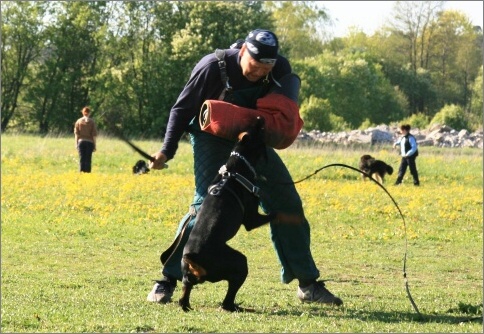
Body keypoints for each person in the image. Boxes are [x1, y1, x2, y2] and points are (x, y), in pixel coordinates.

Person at [147, 29, 343, 306]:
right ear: (242, 53)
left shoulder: (279, 69)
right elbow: (181, 109)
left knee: (287, 202)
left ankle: (308, 283)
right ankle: (167, 279)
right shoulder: (212, 67)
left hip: (250, 139)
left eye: (267, 67)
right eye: (255, 64)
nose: (260, 72)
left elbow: (282, 111)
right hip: (209, 136)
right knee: (205, 204)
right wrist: (166, 151)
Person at [74, 106, 97, 173]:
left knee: (82, 159)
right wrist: (94, 145)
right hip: (89, 143)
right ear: (89, 113)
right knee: (88, 159)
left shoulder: (78, 121)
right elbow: (94, 135)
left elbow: (76, 134)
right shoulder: (92, 122)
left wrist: (76, 144)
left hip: (81, 142)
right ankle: (88, 174)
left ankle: (81, 173)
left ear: (83, 113)